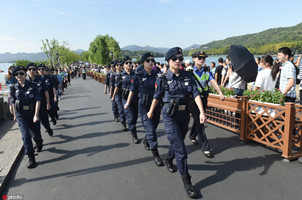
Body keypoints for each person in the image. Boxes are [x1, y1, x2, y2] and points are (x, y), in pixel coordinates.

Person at [147, 47, 206, 198]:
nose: (178, 61)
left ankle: (168, 158)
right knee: (181, 149)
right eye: (175, 59)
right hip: (170, 116)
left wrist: (201, 112)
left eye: (180, 58)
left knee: (178, 141)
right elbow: (157, 96)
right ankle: (187, 182)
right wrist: (151, 111)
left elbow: (195, 93)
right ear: (168, 61)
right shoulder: (162, 78)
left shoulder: (188, 76)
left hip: (184, 115)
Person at [125, 53, 163, 166]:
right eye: (148, 60)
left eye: (152, 60)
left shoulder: (157, 73)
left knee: (155, 125)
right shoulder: (138, 75)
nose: (151, 62)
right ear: (143, 63)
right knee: (150, 129)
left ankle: (147, 139)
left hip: (156, 104)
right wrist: (127, 102)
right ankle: (156, 153)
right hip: (144, 105)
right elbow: (132, 90)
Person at [189, 51, 225, 158]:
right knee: (201, 121)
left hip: (204, 99)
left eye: (203, 58)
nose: (202, 60)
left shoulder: (205, 71)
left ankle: (192, 135)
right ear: (193, 59)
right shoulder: (189, 72)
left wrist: (220, 92)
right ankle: (205, 147)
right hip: (194, 101)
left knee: (198, 118)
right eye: (199, 58)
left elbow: (213, 81)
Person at [10, 65, 43, 168]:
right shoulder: (13, 88)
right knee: (25, 135)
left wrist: (36, 115)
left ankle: (39, 142)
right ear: (15, 76)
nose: (19, 75)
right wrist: (15, 115)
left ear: (25, 74)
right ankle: (31, 157)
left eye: (21, 73)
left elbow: (38, 100)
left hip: (32, 113)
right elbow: (13, 103)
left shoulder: (33, 85)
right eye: (16, 74)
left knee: (36, 134)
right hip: (21, 115)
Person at [26, 63, 54, 136]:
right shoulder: (25, 82)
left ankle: (48, 128)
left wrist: (48, 103)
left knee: (44, 121)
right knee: (34, 125)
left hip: (42, 104)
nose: (31, 71)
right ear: (27, 71)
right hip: (31, 107)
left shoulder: (41, 79)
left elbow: (46, 92)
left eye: (33, 69)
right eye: (29, 69)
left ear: (36, 71)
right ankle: (37, 141)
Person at [119, 56, 139, 143]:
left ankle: (132, 125)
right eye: (126, 63)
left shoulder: (135, 74)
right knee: (130, 116)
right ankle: (134, 134)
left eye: (130, 62)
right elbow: (117, 87)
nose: (129, 64)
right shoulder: (120, 75)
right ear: (123, 65)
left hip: (135, 98)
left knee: (135, 116)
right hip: (125, 98)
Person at [111, 60, 127, 131]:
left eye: (120, 64)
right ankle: (123, 123)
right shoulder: (113, 75)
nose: (119, 66)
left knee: (126, 109)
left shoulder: (125, 74)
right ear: (115, 67)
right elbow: (112, 85)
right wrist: (112, 95)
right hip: (117, 93)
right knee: (120, 108)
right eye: (117, 65)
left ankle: (126, 120)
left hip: (125, 93)